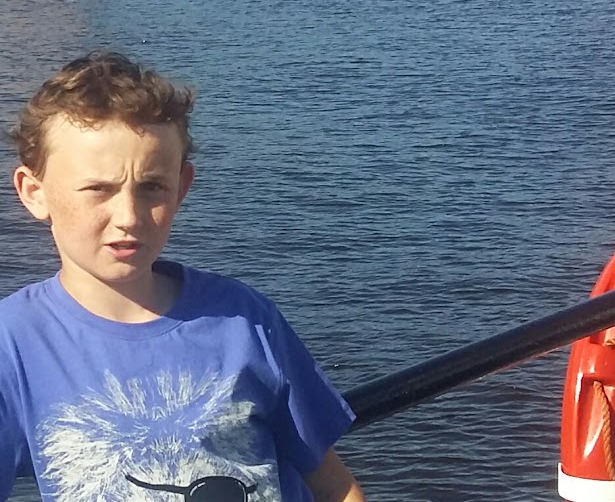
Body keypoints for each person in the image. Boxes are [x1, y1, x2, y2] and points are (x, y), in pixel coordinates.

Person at [0, 50, 366, 502]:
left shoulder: (243, 320)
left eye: (152, 187)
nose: (128, 217)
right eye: (98, 189)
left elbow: (334, 485)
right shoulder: (13, 345)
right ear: (34, 193)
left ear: (181, 187)